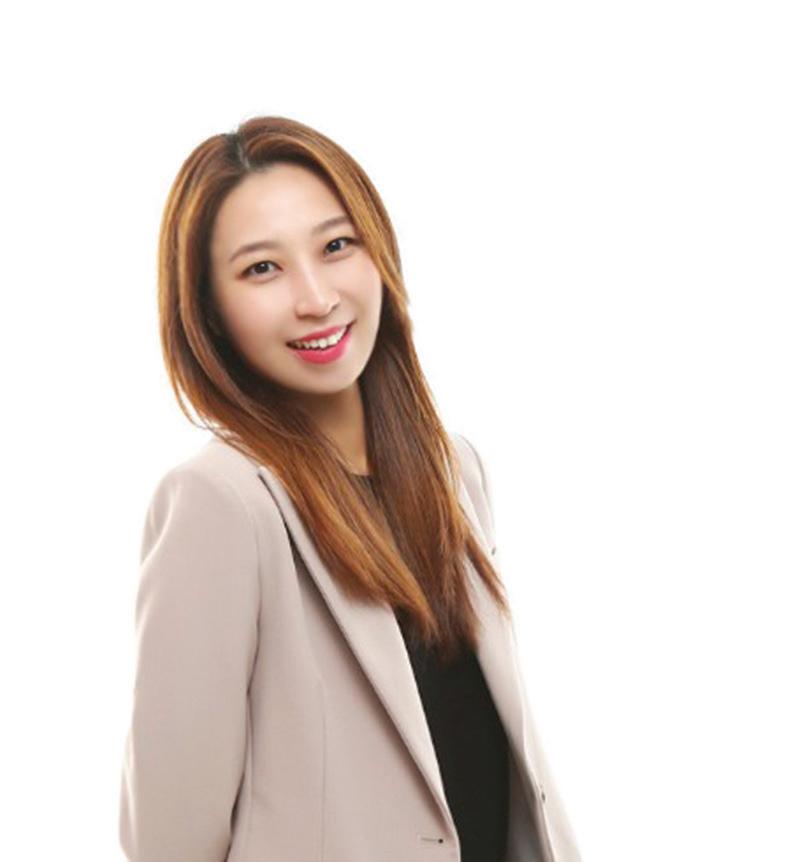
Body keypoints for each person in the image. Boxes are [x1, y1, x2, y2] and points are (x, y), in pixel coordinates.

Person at [118, 115, 582, 862]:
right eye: (261, 269)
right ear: (208, 311)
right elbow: (170, 840)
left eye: (336, 246)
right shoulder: (222, 503)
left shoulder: (452, 470)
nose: (316, 297)